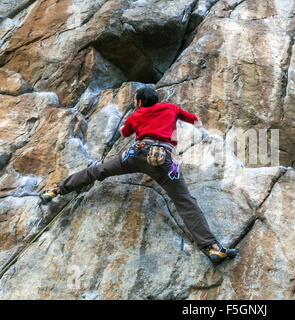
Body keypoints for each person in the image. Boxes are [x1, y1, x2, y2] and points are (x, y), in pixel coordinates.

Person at [40, 87, 237, 264]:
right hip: (162, 161)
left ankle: (56, 190)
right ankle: (213, 248)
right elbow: (193, 118)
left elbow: (125, 133)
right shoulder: (171, 108)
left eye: (135, 100)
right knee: (185, 200)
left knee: (98, 171)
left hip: (134, 155)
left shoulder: (137, 114)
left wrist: (137, 116)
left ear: (140, 102)